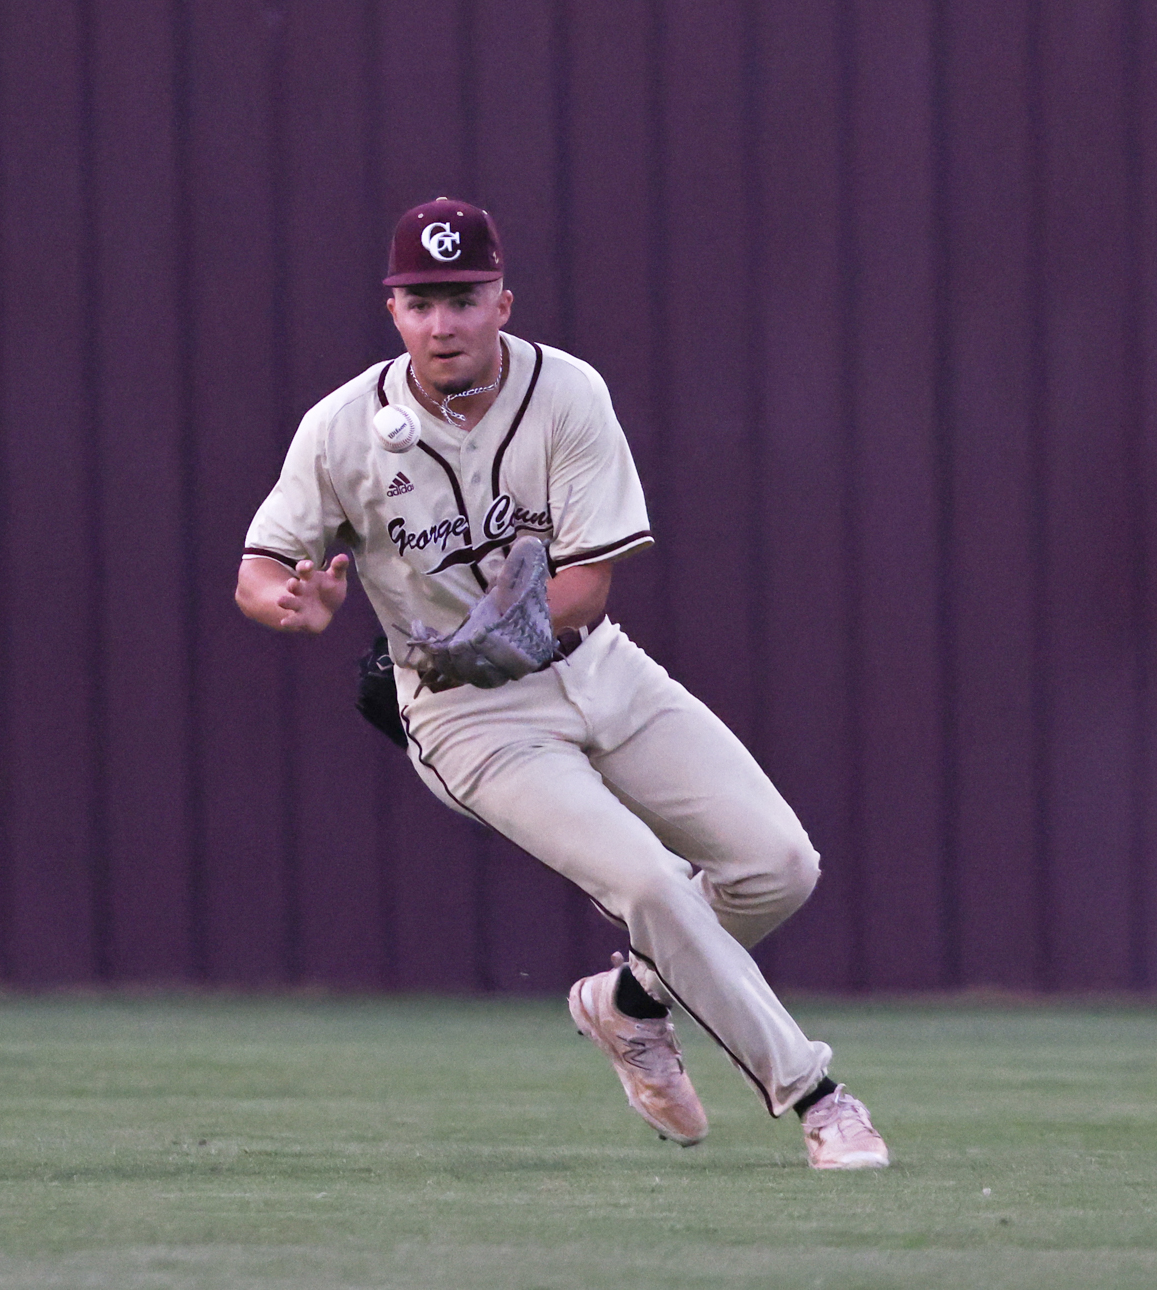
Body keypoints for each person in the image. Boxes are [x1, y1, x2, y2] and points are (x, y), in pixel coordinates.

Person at [235, 196, 889, 1170]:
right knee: (648, 882)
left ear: (503, 303)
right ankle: (818, 1098)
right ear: (392, 310)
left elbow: (584, 587)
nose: (442, 323)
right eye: (421, 302)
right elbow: (260, 566)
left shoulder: (568, 391)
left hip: (593, 664)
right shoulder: (341, 428)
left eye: (463, 298)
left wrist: (479, 642)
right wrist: (285, 602)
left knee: (776, 867)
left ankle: (626, 1005)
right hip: (467, 719)